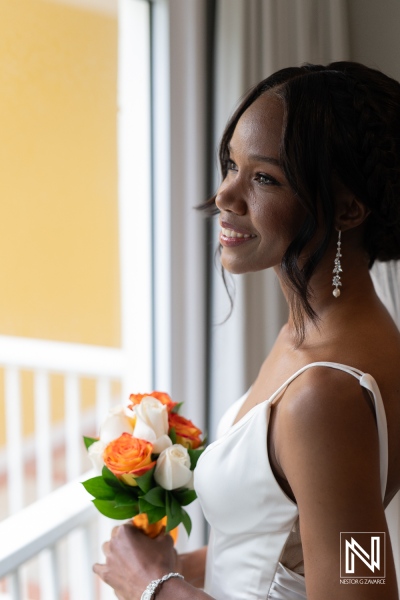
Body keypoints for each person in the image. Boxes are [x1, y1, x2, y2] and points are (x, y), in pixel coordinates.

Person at [93, 61, 400, 599]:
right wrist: (189, 566)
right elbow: (306, 537)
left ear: (349, 208)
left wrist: (154, 586)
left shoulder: (326, 395)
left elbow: (364, 586)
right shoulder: (322, 337)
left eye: (264, 178)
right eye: (231, 165)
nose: (225, 198)